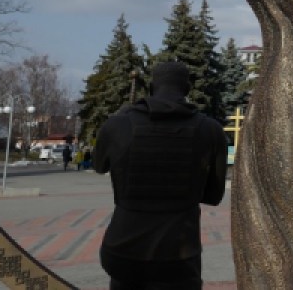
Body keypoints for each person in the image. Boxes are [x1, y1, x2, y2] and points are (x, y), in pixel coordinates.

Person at [94, 61, 228, 290]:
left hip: (121, 250)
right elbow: (213, 196)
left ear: (152, 86)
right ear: (186, 88)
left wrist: (121, 118)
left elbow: (99, 165)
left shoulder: (118, 124)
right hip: (179, 256)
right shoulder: (210, 129)